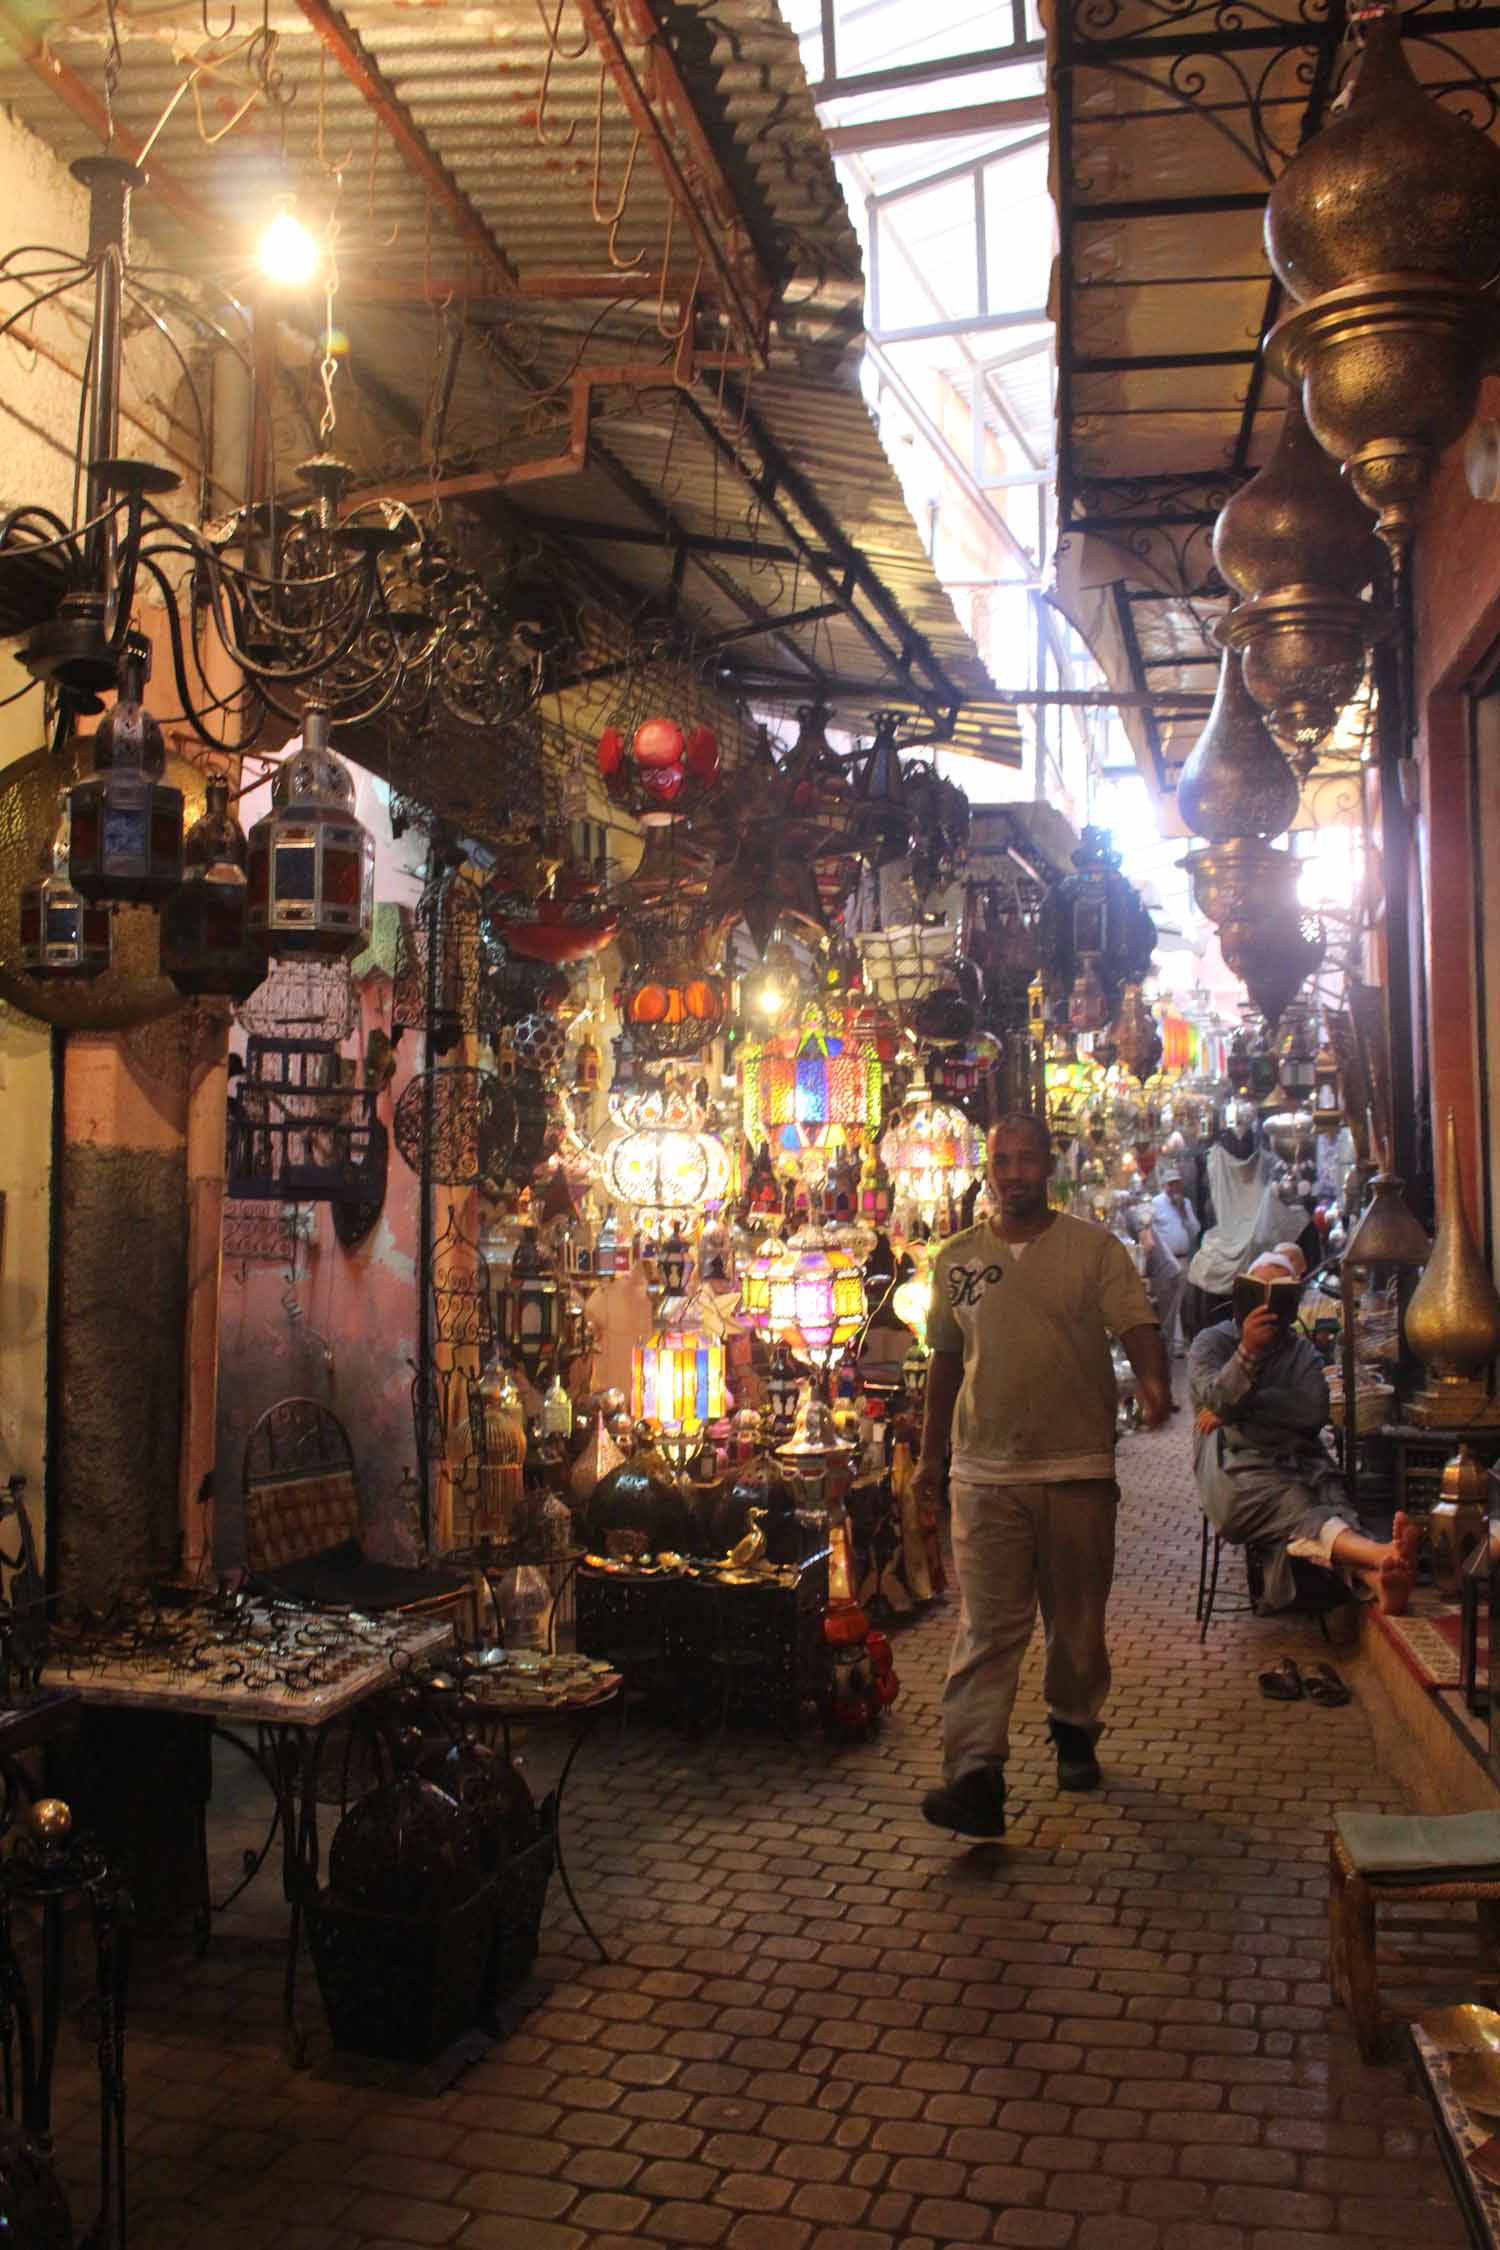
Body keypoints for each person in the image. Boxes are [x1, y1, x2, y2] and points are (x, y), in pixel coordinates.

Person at [912, 1114, 1172, 1839]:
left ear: (1048, 1166)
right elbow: (942, 1360)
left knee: (1076, 1621)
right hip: (984, 1470)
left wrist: (1155, 1384)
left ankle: (1074, 1727)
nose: (1016, 1171)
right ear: (987, 1167)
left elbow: (1136, 1323)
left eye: (1028, 1159)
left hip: (1076, 1466)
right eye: (1004, 1159)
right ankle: (976, 1776)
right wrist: (932, 1459)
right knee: (988, 1628)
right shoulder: (956, 1257)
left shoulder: (1093, 1249)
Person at [1188, 1252, 1417, 1613]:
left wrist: (1235, 1409)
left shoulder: (1302, 1352)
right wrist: (1247, 1353)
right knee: (1294, 1502)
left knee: (1334, 1500)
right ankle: (1381, 1553)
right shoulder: (1211, 1343)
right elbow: (1213, 1395)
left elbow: (1311, 1409)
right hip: (1235, 1471)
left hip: (1302, 1461)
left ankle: (1377, 1581)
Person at [1149, 1165, 1200, 1353]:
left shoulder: (1185, 1203)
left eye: (1177, 1184)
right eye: (1170, 1185)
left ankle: (1177, 1342)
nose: (1174, 1188)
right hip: (1165, 1261)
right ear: (1164, 1186)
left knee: (1182, 1301)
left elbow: (1195, 1230)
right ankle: (1174, 1346)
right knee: (1171, 1303)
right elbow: (1150, 1230)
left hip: (1183, 1259)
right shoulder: (1155, 1203)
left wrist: (1183, 1213)